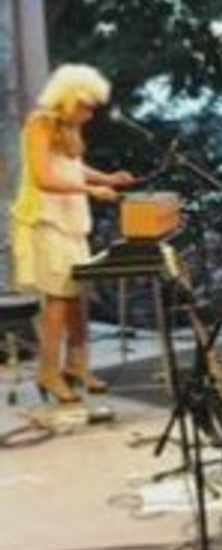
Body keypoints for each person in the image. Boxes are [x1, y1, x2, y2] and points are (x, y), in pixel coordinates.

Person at [9, 64, 136, 404]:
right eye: (86, 105)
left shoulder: (67, 129)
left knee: (77, 299)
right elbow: (42, 177)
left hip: (71, 223)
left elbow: (71, 167)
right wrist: (91, 191)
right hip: (48, 222)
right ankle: (48, 372)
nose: (91, 113)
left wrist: (106, 179)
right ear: (68, 99)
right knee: (58, 301)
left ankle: (77, 366)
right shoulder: (40, 123)